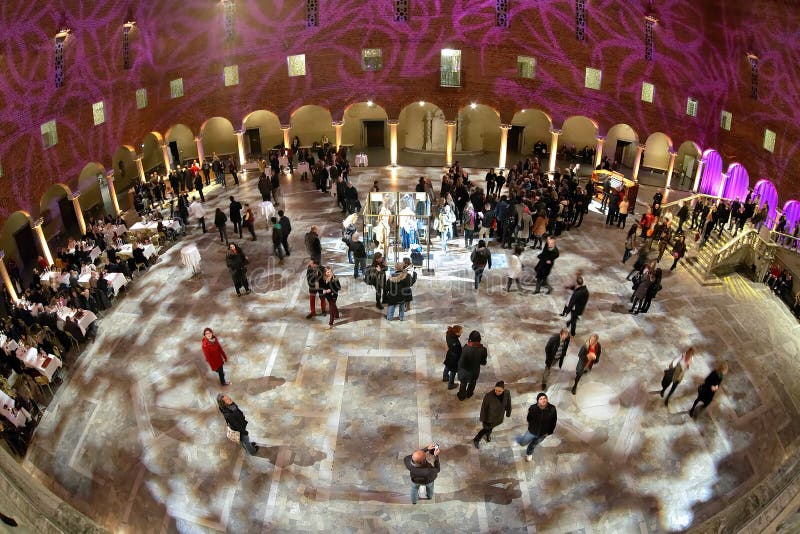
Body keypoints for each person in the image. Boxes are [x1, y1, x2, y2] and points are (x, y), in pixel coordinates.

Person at [516, 392, 557, 462]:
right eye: (541, 399)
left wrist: (549, 432)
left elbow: (554, 421)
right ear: (538, 400)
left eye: (544, 398)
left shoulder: (552, 409)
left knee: (533, 445)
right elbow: (529, 418)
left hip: (543, 434)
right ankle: (518, 438)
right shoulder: (533, 408)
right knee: (523, 443)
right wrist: (532, 425)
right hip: (532, 431)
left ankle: (529, 455)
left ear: (547, 399)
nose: (543, 400)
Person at [472, 381, 511, 449]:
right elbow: (483, 409)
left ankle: (488, 434)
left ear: (503, 390)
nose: (497, 392)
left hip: (499, 417)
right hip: (489, 418)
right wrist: (483, 420)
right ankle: (477, 439)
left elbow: (508, 403)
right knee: (485, 429)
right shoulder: (488, 396)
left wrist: (508, 412)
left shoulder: (507, 393)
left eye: (499, 391)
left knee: (491, 428)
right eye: (496, 390)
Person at [457, 330, 488, 401]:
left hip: (464, 371)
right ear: (479, 339)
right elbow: (483, 362)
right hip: (475, 371)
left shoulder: (465, 348)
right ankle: (469, 394)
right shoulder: (483, 349)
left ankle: (461, 396)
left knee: (463, 383)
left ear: (470, 338)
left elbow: (461, 362)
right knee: (473, 383)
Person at [442, 325, 462, 390]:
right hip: (454, 358)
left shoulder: (448, 334)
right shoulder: (456, 343)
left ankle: (445, 377)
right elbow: (459, 352)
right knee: (453, 371)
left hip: (449, 354)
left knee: (447, 365)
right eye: (461, 332)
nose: (461, 333)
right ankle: (450, 384)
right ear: (457, 333)